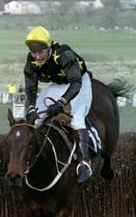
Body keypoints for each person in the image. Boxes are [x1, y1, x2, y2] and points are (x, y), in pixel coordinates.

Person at [23, 26, 93, 183]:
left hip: (79, 82)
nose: (37, 57)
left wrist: (61, 103)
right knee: (35, 119)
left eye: (41, 52)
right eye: (34, 53)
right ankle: (30, 158)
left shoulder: (64, 54)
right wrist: (31, 108)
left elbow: (75, 84)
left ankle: (84, 163)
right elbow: (30, 88)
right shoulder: (31, 60)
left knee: (77, 118)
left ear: (49, 48)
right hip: (58, 84)